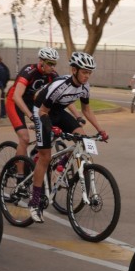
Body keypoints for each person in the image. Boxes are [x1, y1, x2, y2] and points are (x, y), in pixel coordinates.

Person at [28, 51, 109, 223]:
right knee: (45, 157)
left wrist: (100, 130)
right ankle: (34, 203)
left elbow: (86, 110)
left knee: (83, 139)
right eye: (84, 72)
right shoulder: (60, 86)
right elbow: (43, 111)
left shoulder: (85, 87)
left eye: (89, 72)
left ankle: (60, 167)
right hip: (41, 111)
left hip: (58, 111)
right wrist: (52, 128)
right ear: (74, 70)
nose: (87, 76)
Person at [6, 48, 60, 159]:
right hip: (15, 102)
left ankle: (34, 155)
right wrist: (31, 116)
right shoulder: (29, 71)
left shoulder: (53, 75)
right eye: (50, 63)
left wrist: (76, 116)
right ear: (41, 61)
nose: (53, 67)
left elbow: (60, 95)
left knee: (49, 133)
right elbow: (17, 96)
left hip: (32, 104)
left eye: (54, 64)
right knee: (25, 138)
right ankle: (19, 169)